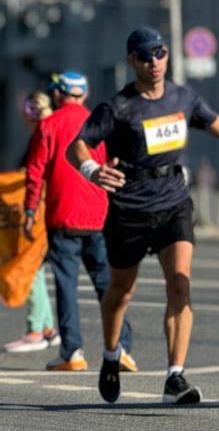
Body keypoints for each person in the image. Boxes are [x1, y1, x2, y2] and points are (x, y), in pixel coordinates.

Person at [69, 27, 219, 405]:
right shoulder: (118, 107)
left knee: (180, 284)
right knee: (120, 293)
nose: (155, 62)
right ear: (132, 61)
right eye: (146, 56)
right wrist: (91, 170)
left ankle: (174, 377)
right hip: (130, 207)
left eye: (160, 53)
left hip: (174, 201)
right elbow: (78, 144)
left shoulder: (182, 97)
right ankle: (111, 355)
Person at [24, 72, 136, 373]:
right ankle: (122, 347)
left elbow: (35, 171)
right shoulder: (97, 124)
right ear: (83, 95)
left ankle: (72, 352)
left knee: (66, 286)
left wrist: (30, 211)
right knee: (107, 284)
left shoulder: (48, 125)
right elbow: (114, 163)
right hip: (99, 215)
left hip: (62, 216)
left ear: (59, 95)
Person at [5, 90, 59, 354]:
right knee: (35, 268)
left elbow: (35, 176)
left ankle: (36, 330)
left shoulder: (44, 136)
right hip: (47, 210)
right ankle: (48, 329)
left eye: (33, 111)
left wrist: (27, 212)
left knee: (30, 267)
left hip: (41, 212)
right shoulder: (45, 135)